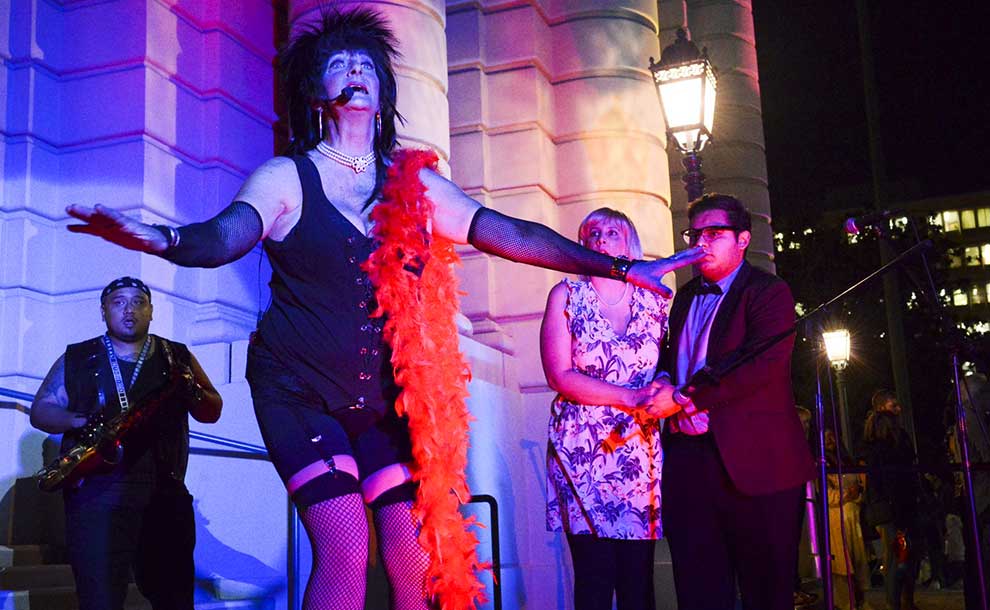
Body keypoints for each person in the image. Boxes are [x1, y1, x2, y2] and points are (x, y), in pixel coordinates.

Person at [61, 7, 704, 609]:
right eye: (340, 63)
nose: (357, 71)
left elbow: (506, 231)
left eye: (366, 63)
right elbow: (227, 233)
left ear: (383, 87)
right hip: (297, 391)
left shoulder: (415, 185)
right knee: (345, 546)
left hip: (381, 401)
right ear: (317, 91)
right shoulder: (288, 176)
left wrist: (618, 266)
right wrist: (164, 239)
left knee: (408, 550)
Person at [645, 193, 815, 610]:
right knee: (699, 591)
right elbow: (671, 358)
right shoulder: (683, 297)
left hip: (758, 466)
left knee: (766, 593)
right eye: (695, 233)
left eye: (714, 233)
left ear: (742, 239)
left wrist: (686, 400)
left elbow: (761, 364)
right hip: (689, 462)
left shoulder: (769, 291)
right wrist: (666, 383)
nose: (701, 242)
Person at [30, 277, 223, 610]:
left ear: (151, 311)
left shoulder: (175, 355)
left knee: (174, 599)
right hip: (95, 494)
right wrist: (82, 422)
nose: (129, 309)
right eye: (118, 302)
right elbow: (42, 409)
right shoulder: (79, 357)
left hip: (165, 493)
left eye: (138, 301)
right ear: (103, 312)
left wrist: (190, 387)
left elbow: (212, 409)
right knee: (99, 598)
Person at [541, 208, 668, 610]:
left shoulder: (657, 298)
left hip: (638, 451)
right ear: (582, 246)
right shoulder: (566, 295)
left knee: (638, 581)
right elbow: (559, 374)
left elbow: (670, 362)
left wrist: (664, 385)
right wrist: (631, 397)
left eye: (612, 231)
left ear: (629, 242)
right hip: (582, 450)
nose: (601, 238)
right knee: (594, 579)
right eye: (591, 233)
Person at [863, 404, 921, 610]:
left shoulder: (877, 448)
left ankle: (897, 601)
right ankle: (896, 602)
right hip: (893, 508)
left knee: (899, 555)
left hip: (889, 509)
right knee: (898, 556)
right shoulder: (889, 448)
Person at [825, 429, 872, 610]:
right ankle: (846, 603)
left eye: (832, 436)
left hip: (854, 515)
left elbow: (858, 486)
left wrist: (857, 493)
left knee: (859, 559)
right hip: (837, 518)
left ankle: (863, 600)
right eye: (826, 437)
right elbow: (828, 495)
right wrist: (846, 494)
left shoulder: (846, 461)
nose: (830, 440)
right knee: (843, 563)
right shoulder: (821, 464)